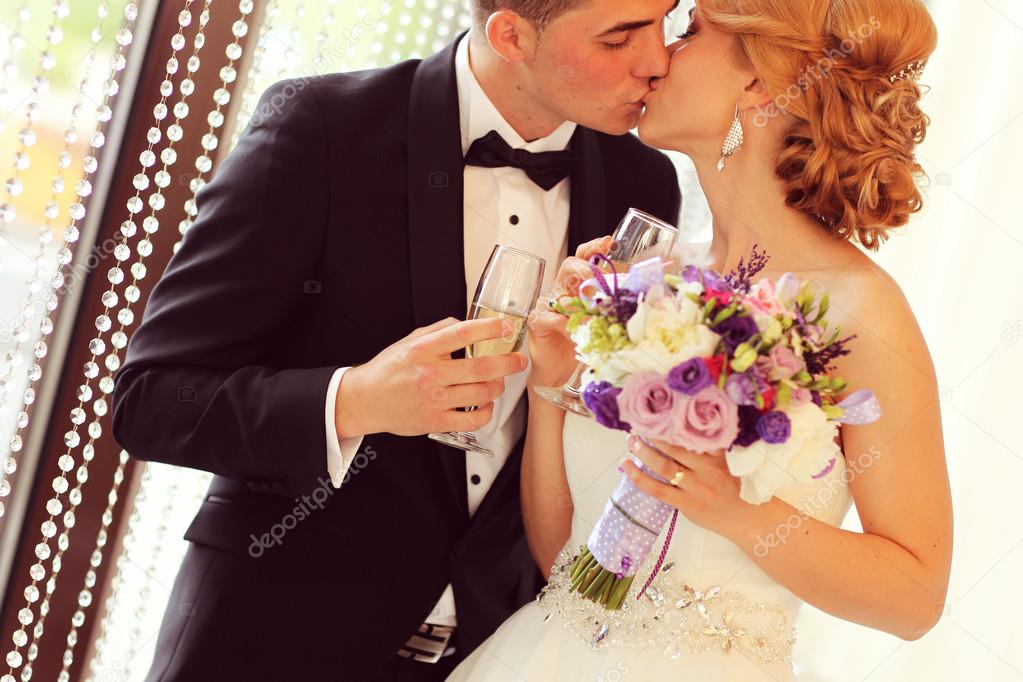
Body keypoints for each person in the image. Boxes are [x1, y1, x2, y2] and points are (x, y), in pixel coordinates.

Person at [109, 0, 681, 680]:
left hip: (497, 649)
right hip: (272, 637)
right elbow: (152, 400)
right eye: (620, 36)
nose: (656, 60)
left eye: (663, 23)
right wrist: (355, 400)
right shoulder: (322, 129)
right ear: (511, 35)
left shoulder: (644, 184)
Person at [447, 0, 952, 679]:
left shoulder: (857, 307)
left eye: (686, 33)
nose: (655, 58)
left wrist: (737, 513)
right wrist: (552, 380)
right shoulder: (653, 279)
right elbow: (562, 561)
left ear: (757, 82)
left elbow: (913, 599)